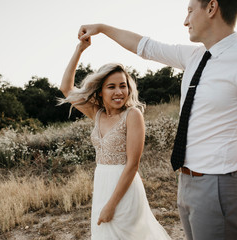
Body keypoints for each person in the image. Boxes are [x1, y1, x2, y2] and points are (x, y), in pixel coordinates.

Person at [77, 0, 237, 239]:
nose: (185, 20)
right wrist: (102, 28)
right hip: (187, 181)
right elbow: (144, 46)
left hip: (219, 185)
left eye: (189, 11)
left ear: (211, 8)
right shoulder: (195, 57)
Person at [59, 37, 171, 239]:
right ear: (100, 92)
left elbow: (132, 165)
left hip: (124, 190)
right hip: (102, 184)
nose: (119, 92)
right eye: (111, 87)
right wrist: (79, 49)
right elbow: (66, 88)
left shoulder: (132, 115)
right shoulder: (97, 114)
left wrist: (111, 205)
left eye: (123, 85)